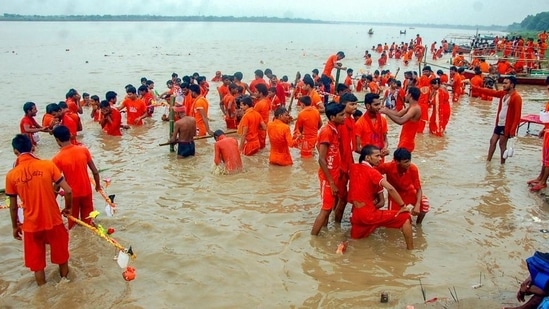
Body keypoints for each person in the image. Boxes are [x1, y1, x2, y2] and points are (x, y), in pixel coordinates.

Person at [5, 134, 73, 285]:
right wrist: (68, 208)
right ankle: (66, 281)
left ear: (16, 152)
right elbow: (68, 191)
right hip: (53, 220)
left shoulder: (11, 175)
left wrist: (15, 226)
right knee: (62, 256)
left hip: (30, 225)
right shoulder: (47, 165)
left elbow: (13, 206)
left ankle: (42, 294)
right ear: (32, 147)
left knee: (37, 264)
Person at [347, 145, 414, 249]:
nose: (380, 158)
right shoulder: (373, 172)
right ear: (368, 158)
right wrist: (403, 206)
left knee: (354, 242)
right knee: (405, 217)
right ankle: (411, 251)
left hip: (355, 215)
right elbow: (390, 189)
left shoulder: (353, 168)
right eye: (377, 156)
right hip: (368, 215)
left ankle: (341, 247)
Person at [52, 125, 101, 228]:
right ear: (70, 135)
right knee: (88, 222)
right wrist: (98, 186)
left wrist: (52, 199)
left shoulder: (57, 158)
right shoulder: (83, 150)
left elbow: (57, 183)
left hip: (71, 195)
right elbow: (95, 172)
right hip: (87, 191)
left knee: (72, 223)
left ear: (57, 140)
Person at [311, 102, 345, 235]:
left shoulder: (334, 129)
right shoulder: (327, 131)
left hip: (333, 174)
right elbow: (321, 159)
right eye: (341, 115)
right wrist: (331, 181)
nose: (344, 117)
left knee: (329, 207)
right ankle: (314, 238)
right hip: (328, 177)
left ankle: (323, 232)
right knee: (325, 209)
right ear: (332, 117)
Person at [471, 76, 522, 164]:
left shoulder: (516, 97)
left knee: (502, 145)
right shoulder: (503, 94)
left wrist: (513, 130)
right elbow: (490, 92)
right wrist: (474, 87)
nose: (503, 85)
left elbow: (517, 116)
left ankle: (502, 165)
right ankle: (488, 162)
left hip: (506, 126)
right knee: (492, 141)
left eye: (506, 83)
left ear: (512, 85)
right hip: (499, 123)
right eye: (503, 83)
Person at [376, 148, 429, 224]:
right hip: (395, 196)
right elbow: (373, 172)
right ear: (397, 162)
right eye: (406, 162)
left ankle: (418, 225)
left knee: (425, 204)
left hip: (409, 192)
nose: (409, 163)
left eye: (409, 160)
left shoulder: (413, 169)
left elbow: (419, 189)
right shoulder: (388, 167)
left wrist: (417, 205)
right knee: (394, 218)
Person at [333, 93, 358, 223]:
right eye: (352, 104)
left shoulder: (351, 120)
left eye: (355, 104)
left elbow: (350, 146)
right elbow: (338, 148)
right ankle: (336, 225)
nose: (355, 106)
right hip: (341, 165)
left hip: (348, 162)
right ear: (344, 105)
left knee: (339, 197)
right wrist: (342, 166)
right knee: (342, 198)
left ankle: (334, 221)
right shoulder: (342, 123)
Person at [380, 87, 422, 152]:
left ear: (410, 95)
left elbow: (400, 121)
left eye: (406, 93)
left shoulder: (415, 108)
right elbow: (398, 114)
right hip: (404, 140)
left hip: (407, 142)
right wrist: (385, 109)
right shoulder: (411, 107)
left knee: (397, 161)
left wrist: (386, 112)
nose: (405, 95)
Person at [527, 77, 549, 191]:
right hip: (547, 131)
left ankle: (543, 182)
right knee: (545, 158)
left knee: (548, 160)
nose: (548, 87)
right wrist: (543, 129)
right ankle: (540, 178)